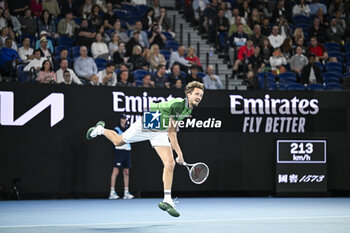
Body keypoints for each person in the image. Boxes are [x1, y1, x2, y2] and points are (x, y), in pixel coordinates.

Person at [86, 81, 205, 217]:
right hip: (150, 121)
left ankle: (167, 200)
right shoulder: (179, 104)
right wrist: (180, 154)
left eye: (201, 95)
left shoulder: (188, 109)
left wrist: (174, 151)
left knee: (170, 163)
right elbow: (172, 132)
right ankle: (100, 129)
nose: (199, 97)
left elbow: (171, 129)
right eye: (196, 94)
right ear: (188, 94)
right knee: (118, 141)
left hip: (160, 131)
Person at [109, 114, 135, 200]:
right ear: (120, 120)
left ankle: (126, 192)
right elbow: (115, 139)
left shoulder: (128, 129)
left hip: (127, 151)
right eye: (123, 119)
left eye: (125, 119)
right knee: (116, 171)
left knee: (126, 172)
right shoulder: (116, 129)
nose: (124, 120)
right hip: (119, 151)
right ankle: (112, 192)